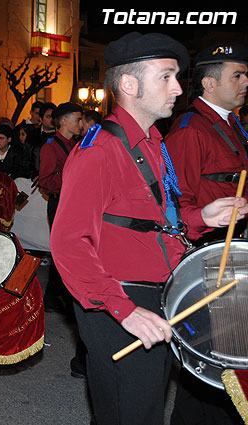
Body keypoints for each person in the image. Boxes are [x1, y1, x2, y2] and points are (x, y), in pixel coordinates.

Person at [49, 32, 248, 425]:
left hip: (155, 290)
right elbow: (69, 243)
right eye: (166, 76)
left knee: (145, 407)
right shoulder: (100, 149)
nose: (177, 88)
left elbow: (151, 216)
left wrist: (200, 217)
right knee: (131, 412)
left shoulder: (151, 141)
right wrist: (125, 311)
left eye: (177, 77)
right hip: (119, 297)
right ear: (129, 84)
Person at [165, 42, 248, 425]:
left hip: (235, 251)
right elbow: (175, 202)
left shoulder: (233, 126)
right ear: (209, 83)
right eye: (238, 75)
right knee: (217, 358)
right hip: (212, 256)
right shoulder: (189, 130)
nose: (246, 81)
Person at [39, 102, 83, 314]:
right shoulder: (51, 147)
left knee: (67, 250)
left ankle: (53, 295)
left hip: (71, 202)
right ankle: (58, 295)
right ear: (63, 121)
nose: (81, 124)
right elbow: (45, 181)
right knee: (64, 250)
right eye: (77, 119)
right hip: (58, 202)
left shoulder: (74, 144)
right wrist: (70, 178)